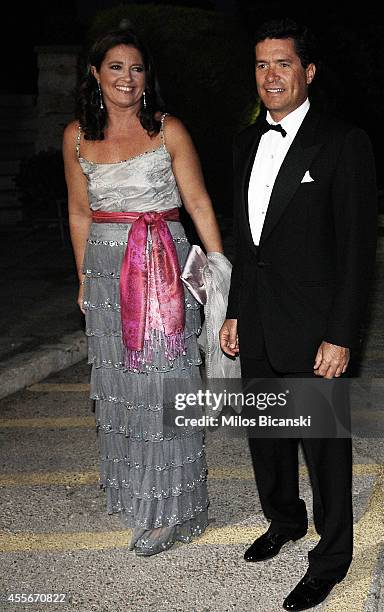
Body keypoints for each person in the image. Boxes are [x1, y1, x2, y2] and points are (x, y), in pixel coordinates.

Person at [219, 18, 377, 611]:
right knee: (266, 437)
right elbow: (245, 238)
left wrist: (341, 335)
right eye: (261, 64)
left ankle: (332, 557)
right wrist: (235, 312)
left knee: (322, 448)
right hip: (256, 320)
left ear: (308, 71)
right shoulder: (243, 142)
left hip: (314, 328)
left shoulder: (341, 142)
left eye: (282, 63)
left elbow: (358, 253)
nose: (271, 75)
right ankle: (284, 520)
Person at [63, 25, 223, 556]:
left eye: (135, 68)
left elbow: (198, 202)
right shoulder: (77, 137)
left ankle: (174, 507)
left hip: (163, 263)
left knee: (165, 383)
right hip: (109, 272)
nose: (126, 78)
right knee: (123, 387)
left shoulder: (168, 129)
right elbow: (80, 212)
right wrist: (84, 275)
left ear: (146, 76)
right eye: (115, 67)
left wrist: (218, 269)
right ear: (95, 74)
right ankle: (138, 491)